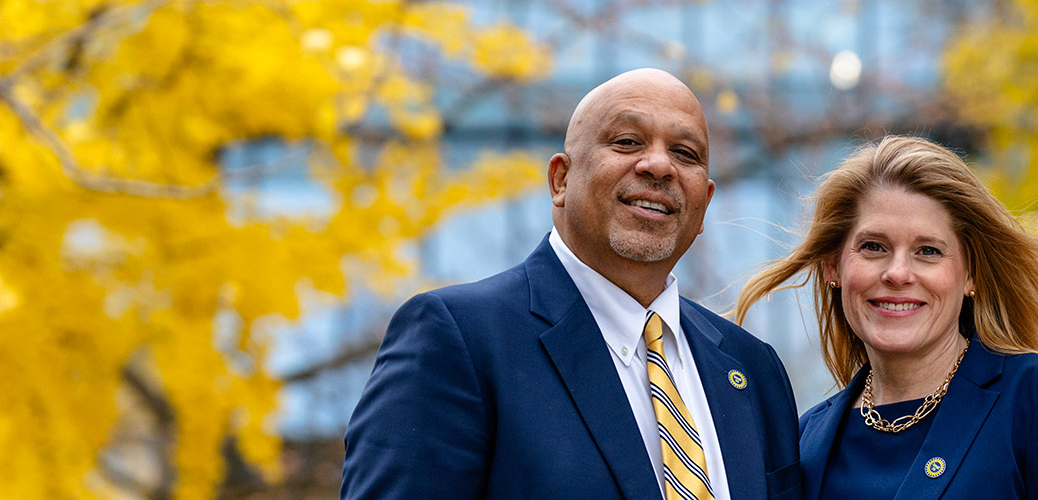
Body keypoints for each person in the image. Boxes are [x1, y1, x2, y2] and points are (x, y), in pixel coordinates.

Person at [343, 68, 803, 500]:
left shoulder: (754, 370)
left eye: (685, 154)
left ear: (703, 203)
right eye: (627, 141)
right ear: (560, 179)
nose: (660, 166)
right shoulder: (457, 340)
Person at [733, 136, 1038, 499]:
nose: (898, 273)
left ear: (970, 274)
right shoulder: (804, 441)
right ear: (832, 267)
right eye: (873, 247)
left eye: (928, 251)